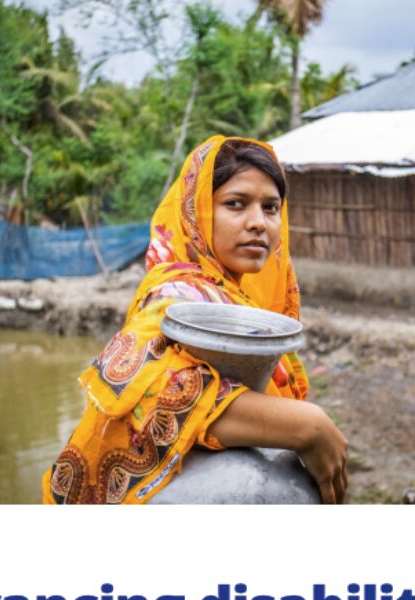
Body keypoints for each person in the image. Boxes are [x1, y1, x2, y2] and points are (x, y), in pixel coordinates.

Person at [42, 135, 348, 504]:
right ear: (196, 212)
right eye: (236, 204)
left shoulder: (249, 302)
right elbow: (148, 393)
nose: (259, 223)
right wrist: (308, 426)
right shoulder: (175, 295)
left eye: (271, 208)